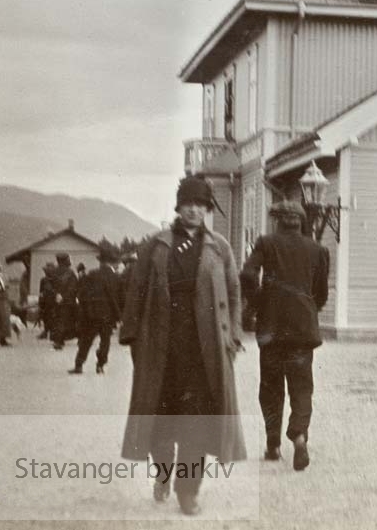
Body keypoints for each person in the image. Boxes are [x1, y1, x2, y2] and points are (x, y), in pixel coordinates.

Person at [119, 175, 246, 516]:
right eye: (188, 203)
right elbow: (137, 293)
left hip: (204, 351)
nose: (194, 210)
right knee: (160, 421)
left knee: (196, 423)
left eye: (201, 205)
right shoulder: (155, 246)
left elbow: (234, 294)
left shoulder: (219, 247)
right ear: (178, 207)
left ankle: (188, 491)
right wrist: (133, 340)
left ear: (207, 209)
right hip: (162, 348)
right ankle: (162, 473)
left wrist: (233, 334)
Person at [239, 200, 330, 471]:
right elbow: (321, 292)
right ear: (301, 222)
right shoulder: (318, 250)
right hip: (302, 330)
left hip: (272, 330)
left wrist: (257, 303)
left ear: (278, 221)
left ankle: (272, 445)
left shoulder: (266, 243)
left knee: (271, 388)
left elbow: (247, 274)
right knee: (302, 387)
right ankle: (299, 437)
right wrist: (309, 307)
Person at [69, 250, 121, 374]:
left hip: (91, 314)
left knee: (86, 340)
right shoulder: (115, 277)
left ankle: (79, 365)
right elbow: (118, 298)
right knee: (105, 341)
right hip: (108, 315)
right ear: (111, 263)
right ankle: (100, 365)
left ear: (101, 262)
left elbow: (83, 294)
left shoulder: (92, 274)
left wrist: (85, 310)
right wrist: (119, 316)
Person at [50, 253, 79, 350]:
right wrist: (64, 296)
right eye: (69, 259)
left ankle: (58, 340)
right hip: (68, 301)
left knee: (58, 320)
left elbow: (50, 286)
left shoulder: (54, 272)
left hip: (56, 301)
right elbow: (73, 287)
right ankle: (58, 341)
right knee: (65, 320)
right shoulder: (70, 272)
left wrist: (56, 295)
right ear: (65, 260)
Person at [38, 262, 58, 339]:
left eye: (48, 270)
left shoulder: (56, 279)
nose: (46, 272)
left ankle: (53, 332)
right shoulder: (43, 280)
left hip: (54, 301)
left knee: (53, 317)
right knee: (45, 316)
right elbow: (41, 291)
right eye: (45, 271)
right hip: (45, 301)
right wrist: (40, 301)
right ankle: (46, 332)